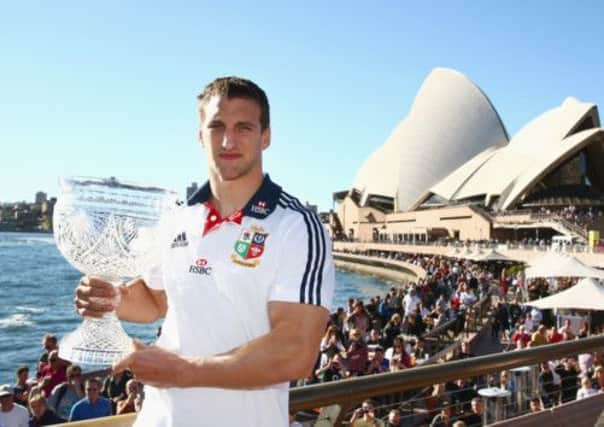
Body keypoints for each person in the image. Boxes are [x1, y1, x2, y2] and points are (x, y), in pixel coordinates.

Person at [74, 76, 335, 426]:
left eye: (244, 127)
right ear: (200, 136)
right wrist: (113, 298)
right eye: (217, 127)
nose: (228, 140)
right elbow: (156, 301)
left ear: (265, 137)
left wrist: (183, 371)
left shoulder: (295, 225)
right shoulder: (176, 216)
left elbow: (295, 352)